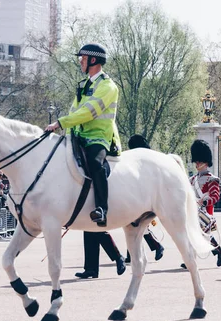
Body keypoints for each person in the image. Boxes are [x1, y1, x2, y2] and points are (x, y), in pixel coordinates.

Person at [45, 43, 122, 227]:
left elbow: (88, 112)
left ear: (93, 60)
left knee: (95, 164)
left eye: (83, 58)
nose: (80, 61)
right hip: (79, 136)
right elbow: (75, 110)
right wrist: (67, 135)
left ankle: (102, 209)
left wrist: (60, 123)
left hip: (99, 137)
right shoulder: (85, 85)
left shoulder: (108, 86)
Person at [123, 135, 165, 263]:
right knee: (131, 226)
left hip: (143, 200)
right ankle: (132, 254)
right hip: (138, 199)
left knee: (137, 226)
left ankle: (157, 246)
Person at [187, 140, 221, 268]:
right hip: (193, 210)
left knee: (204, 235)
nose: (197, 164)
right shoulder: (192, 179)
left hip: (205, 211)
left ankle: (219, 251)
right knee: (192, 234)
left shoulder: (212, 179)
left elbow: (215, 196)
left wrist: (203, 201)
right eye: (196, 161)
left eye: (199, 161)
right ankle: (191, 259)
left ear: (205, 162)